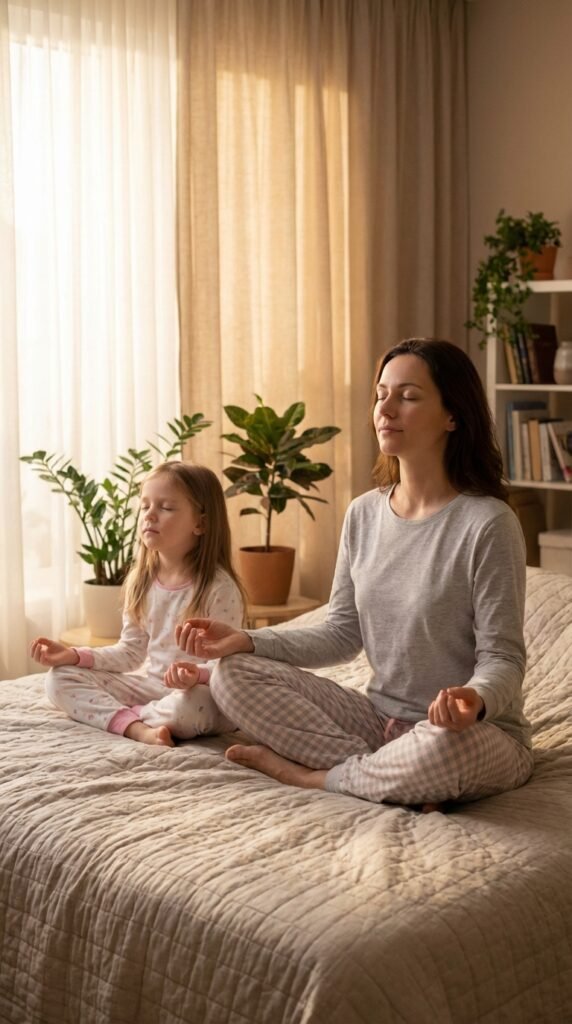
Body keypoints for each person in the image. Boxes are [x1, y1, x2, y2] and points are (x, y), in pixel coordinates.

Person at [175, 339, 534, 809]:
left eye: (408, 396)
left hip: (470, 735)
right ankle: (386, 775)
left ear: (453, 415)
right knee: (232, 674)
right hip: (378, 721)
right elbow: (342, 634)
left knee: (443, 748)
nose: (386, 408)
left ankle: (316, 777)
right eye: (381, 395)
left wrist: (474, 698)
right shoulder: (364, 514)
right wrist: (246, 640)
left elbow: (503, 658)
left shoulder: (488, 523)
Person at [30, 462, 245, 748]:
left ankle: (129, 717)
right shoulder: (141, 580)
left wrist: (197, 676)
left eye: (166, 508)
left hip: (201, 692)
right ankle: (137, 728)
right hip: (154, 689)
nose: (150, 515)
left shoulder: (219, 588)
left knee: (193, 705)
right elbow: (130, 653)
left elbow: (228, 666)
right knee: (58, 678)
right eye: (144, 507)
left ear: (201, 524)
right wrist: (73, 656)